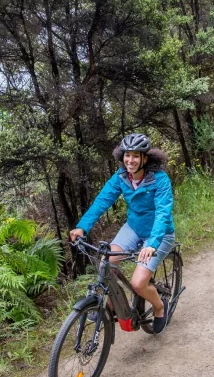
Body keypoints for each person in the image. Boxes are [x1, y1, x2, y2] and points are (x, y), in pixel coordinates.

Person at [69, 133, 176, 334]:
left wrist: (152, 244)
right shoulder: (120, 177)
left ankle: (161, 307)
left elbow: (163, 213)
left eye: (136, 156)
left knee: (138, 283)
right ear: (122, 156)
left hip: (159, 234)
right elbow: (102, 201)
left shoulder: (159, 179)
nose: (130, 160)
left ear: (145, 158)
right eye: (127, 155)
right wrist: (82, 226)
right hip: (133, 228)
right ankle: (108, 305)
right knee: (106, 264)